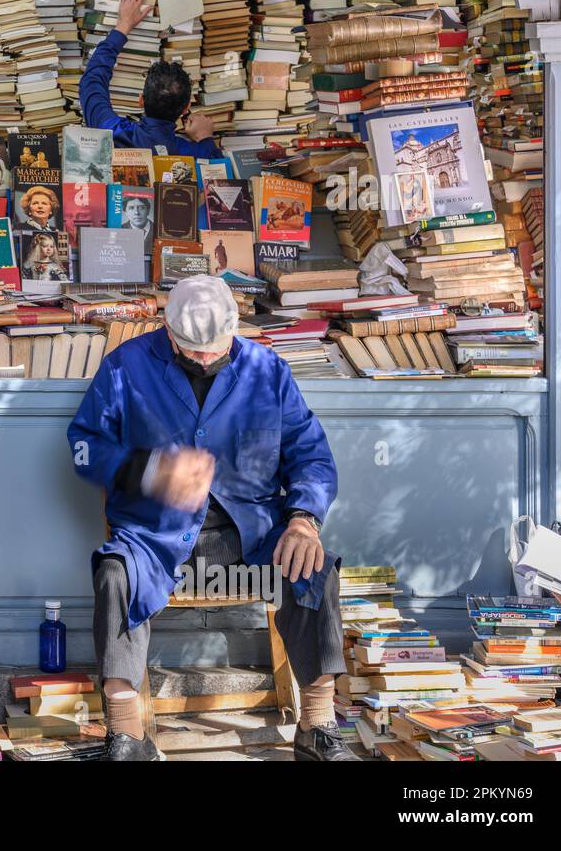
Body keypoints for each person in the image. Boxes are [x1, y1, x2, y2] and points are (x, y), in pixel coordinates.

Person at [67, 274, 357, 762]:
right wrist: (149, 471)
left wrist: (304, 518)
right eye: (190, 349)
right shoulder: (124, 367)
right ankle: (126, 735)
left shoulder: (269, 371)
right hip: (155, 541)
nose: (204, 359)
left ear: (235, 325)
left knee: (314, 567)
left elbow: (312, 455)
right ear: (166, 327)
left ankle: (317, 726)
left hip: (252, 539)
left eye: (214, 349)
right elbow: (82, 448)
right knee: (113, 573)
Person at [79, 0, 224, 159]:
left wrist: (123, 25)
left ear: (141, 100)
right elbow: (216, 170)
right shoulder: (196, 154)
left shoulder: (111, 131)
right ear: (186, 108)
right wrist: (205, 138)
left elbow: (92, 82)